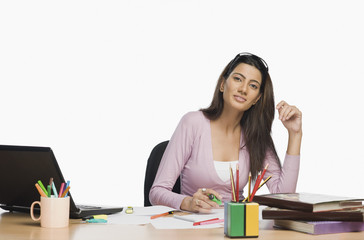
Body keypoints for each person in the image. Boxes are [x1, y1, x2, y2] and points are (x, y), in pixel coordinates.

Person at [149, 52, 302, 213]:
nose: (243, 89)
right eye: (238, 79)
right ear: (223, 84)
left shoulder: (256, 136)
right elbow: (157, 192)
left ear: (257, 98)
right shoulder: (193, 123)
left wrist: (295, 134)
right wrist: (188, 202)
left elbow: (284, 197)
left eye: (253, 86)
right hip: (193, 228)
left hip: (236, 230)